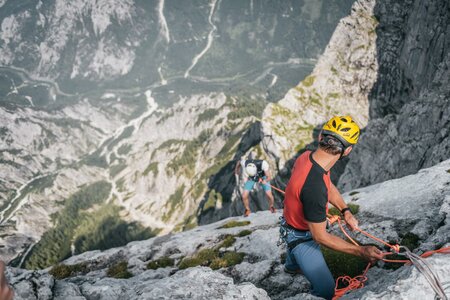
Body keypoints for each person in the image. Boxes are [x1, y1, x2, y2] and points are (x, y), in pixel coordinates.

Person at [280, 116, 384, 300]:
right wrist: (361, 251)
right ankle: (294, 263)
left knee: (292, 254)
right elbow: (319, 236)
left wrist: (345, 211)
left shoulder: (307, 157)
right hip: (302, 237)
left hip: (289, 222)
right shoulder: (314, 188)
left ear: (321, 137)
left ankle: (291, 267)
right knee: (326, 290)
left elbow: (326, 183)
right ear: (348, 150)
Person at [235, 152, 276, 217]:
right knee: (244, 196)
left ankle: (271, 206)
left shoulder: (263, 164)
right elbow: (239, 162)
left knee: (269, 195)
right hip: (252, 178)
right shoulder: (245, 163)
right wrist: (236, 170)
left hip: (263, 177)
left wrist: (265, 180)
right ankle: (247, 209)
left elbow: (269, 176)